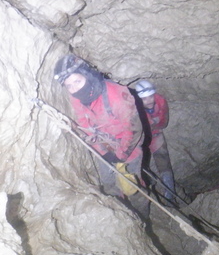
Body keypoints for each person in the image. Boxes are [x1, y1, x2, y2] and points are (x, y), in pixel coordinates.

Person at [54, 54, 144, 200]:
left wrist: (120, 155)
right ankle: (120, 209)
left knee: (132, 189)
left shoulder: (116, 95)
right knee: (109, 185)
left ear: (87, 75)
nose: (74, 88)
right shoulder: (76, 96)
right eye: (69, 86)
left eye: (77, 81)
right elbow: (84, 122)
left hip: (129, 149)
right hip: (105, 147)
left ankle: (141, 210)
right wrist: (102, 150)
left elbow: (133, 130)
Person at [134, 80, 176, 201]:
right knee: (139, 162)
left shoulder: (160, 101)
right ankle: (148, 184)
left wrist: (153, 125)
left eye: (151, 97)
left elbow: (164, 122)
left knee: (163, 162)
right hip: (141, 136)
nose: (149, 101)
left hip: (155, 133)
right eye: (144, 99)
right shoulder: (135, 109)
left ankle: (170, 195)